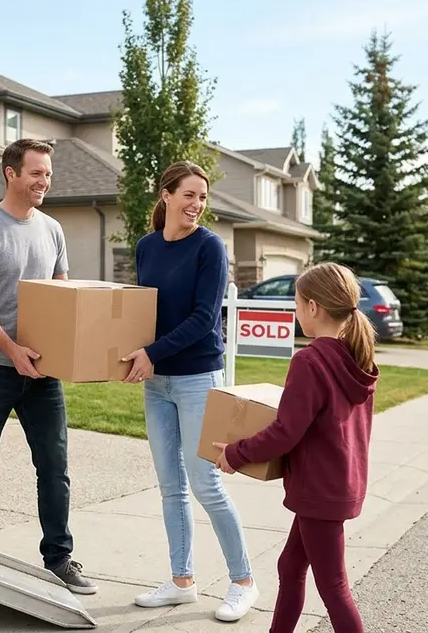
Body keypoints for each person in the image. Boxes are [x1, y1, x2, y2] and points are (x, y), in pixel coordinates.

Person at [0, 138, 96, 595]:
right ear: (11, 173)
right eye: (36, 172)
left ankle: (60, 558)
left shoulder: (52, 229)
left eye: (47, 174)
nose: (44, 181)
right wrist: (12, 349)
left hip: (43, 375)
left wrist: (63, 350)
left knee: (55, 467)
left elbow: (61, 298)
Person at [119, 160, 259, 621]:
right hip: (155, 382)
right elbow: (144, 312)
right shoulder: (147, 247)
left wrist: (153, 352)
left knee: (206, 483)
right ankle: (182, 580)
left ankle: (243, 582)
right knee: (170, 486)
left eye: (202, 197)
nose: (197, 204)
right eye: (189, 195)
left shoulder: (209, 247)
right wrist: (131, 352)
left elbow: (204, 319)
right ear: (166, 195)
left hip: (198, 377)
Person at [213, 262, 379, 633]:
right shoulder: (357, 357)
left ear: (314, 307)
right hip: (337, 484)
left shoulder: (310, 360)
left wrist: (235, 454)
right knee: (291, 566)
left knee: (334, 587)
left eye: (298, 303)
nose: (296, 309)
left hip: (319, 489)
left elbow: (286, 432)